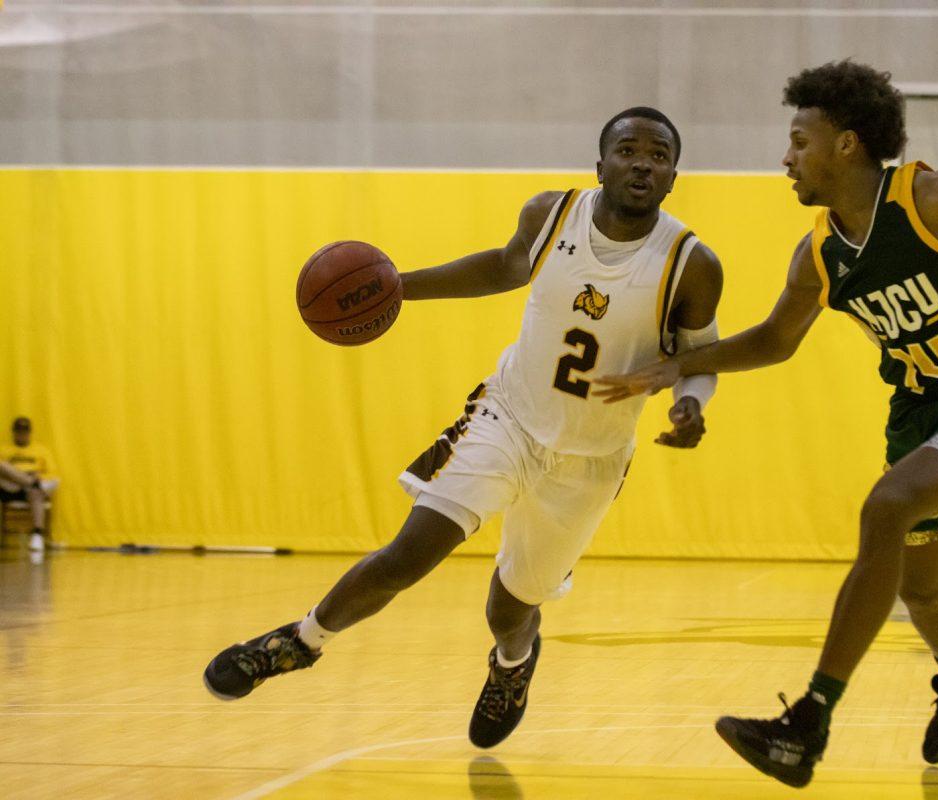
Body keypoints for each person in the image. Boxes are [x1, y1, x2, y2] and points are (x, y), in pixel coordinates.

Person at [595, 61, 938, 788]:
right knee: (926, 592)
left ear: (846, 145)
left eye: (798, 142)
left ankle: (807, 723)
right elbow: (776, 341)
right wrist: (679, 368)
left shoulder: (935, 199)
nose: (786, 159)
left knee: (887, 505)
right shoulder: (819, 253)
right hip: (918, 419)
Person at [203, 107, 725, 749]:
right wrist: (396, 288)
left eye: (658, 155)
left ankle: (512, 663)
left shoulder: (691, 263)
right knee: (412, 551)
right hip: (507, 417)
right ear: (601, 164)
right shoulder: (551, 214)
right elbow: (503, 268)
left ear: (674, 176)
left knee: (511, 606)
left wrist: (692, 403)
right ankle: (299, 641)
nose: (642, 162)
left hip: (591, 458)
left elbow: (703, 359)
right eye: (627, 150)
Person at [0, 417, 59, 552]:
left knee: (36, 492)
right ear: (13, 432)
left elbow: (53, 474)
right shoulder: (3, 449)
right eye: (19, 431)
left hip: (29, 488)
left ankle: (37, 533)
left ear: (29, 433)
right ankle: (27, 481)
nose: (22, 435)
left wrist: (38, 476)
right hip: (7, 485)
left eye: (24, 432)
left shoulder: (41, 450)